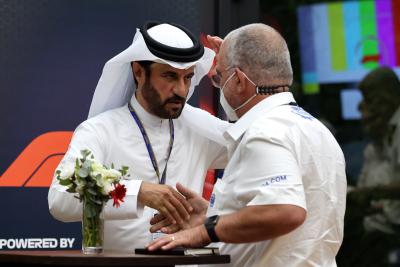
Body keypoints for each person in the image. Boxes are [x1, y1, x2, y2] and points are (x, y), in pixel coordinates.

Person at [147, 23, 347, 267]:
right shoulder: (315, 128)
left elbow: (285, 211)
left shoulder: (265, 132)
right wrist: (214, 217)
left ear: (239, 80)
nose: (219, 86)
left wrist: (204, 232)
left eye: (220, 78)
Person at [48, 21, 228, 252]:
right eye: (170, 76)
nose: (182, 90)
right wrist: (138, 192)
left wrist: (237, 72)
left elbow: (262, 144)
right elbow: (60, 201)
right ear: (138, 72)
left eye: (188, 77)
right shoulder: (100, 130)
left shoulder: (200, 126)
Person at [338, 67, 400, 267]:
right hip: (376, 225)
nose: (365, 108)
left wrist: (369, 193)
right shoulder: (376, 144)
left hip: (389, 234)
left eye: (372, 100)